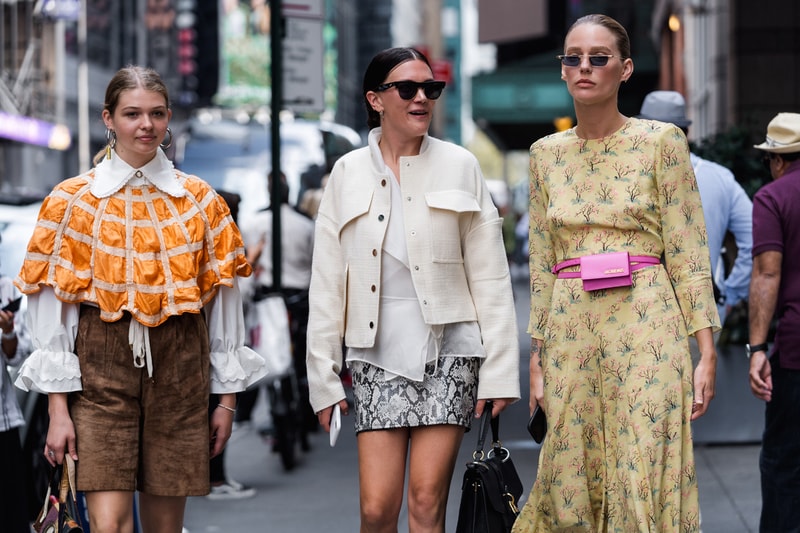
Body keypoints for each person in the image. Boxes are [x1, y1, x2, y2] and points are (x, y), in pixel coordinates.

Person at [13, 66, 266, 533]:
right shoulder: (71, 201)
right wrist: (57, 410)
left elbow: (225, 312)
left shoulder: (201, 202)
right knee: (109, 525)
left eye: (155, 113)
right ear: (109, 119)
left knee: (164, 528)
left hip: (181, 369)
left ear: (169, 118)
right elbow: (55, 311)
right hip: (98, 368)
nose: (145, 125)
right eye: (132, 114)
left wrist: (226, 403)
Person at [513, 14, 719, 532]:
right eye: (572, 58)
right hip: (570, 328)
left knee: (645, 458)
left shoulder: (662, 142)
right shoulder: (544, 155)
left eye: (598, 57)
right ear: (562, 70)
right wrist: (537, 355)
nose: (584, 67)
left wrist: (706, 350)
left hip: (647, 318)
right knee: (572, 472)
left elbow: (688, 248)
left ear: (625, 69)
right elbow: (542, 260)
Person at [306, 46, 520, 532]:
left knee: (426, 504)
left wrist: (500, 373)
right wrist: (322, 377)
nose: (422, 97)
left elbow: (489, 276)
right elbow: (326, 281)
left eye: (431, 89)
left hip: (450, 350)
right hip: (374, 351)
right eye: (408, 88)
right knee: (377, 509)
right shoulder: (347, 172)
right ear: (376, 99)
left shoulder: (461, 165)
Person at [638, 90, 753, 323]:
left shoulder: (625, 179)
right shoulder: (720, 177)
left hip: (640, 311)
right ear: (686, 132)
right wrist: (730, 294)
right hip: (703, 310)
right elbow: (754, 239)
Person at [748, 112, 800, 532]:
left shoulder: (773, 197)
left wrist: (758, 348)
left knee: (784, 461)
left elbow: (767, 273)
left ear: (778, 160)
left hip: (796, 349)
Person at [240, 171, 316, 455]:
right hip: (298, 298)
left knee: (263, 352)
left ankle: (259, 410)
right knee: (302, 359)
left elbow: (250, 262)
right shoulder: (305, 225)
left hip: (268, 298)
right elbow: (313, 261)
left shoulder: (252, 224)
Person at [206, 189, 256, 500]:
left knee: (215, 417)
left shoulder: (216, 240)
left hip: (207, 349)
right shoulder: (229, 244)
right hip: (216, 350)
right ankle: (215, 479)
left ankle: (216, 478)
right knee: (216, 417)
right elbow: (244, 292)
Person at [0, 253, 33, 533]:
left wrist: (8, 331)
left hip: (3, 421)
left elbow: (16, 358)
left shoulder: (6, 288)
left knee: (11, 512)